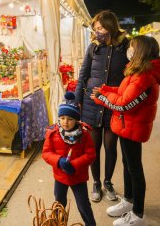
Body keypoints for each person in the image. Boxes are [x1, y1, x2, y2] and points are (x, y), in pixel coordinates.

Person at [91, 35, 160, 226]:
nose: (129, 50)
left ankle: (138, 213)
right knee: (128, 165)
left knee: (134, 169)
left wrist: (103, 97)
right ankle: (128, 200)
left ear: (140, 51)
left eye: (132, 47)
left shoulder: (144, 76)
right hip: (127, 126)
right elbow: (124, 91)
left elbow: (125, 104)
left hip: (133, 127)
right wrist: (108, 89)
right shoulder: (137, 71)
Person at [75, 10, 129, 202]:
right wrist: (77, 101)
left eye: (102, 27)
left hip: (114, 103)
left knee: (111, 146)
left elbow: (131, 75)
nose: (99, 31)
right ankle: (96, 182)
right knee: (94, 147)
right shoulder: (93, 47)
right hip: (92, 103)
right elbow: (83, 75)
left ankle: (108, 181)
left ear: (111, 26)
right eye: (96, 29)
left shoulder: (125, 47)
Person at [42, 92, 96, 226]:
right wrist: (58, 160)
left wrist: (75, 165)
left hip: (78, 176)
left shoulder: (84, 134)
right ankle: (57, 223)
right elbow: (46, 153)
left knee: (83, 204)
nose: (65, 122)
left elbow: (91, 154)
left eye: (70, 119)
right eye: (62, 117)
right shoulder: (53, 133)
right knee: (59, 203)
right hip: (60, 176)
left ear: (77, 120)